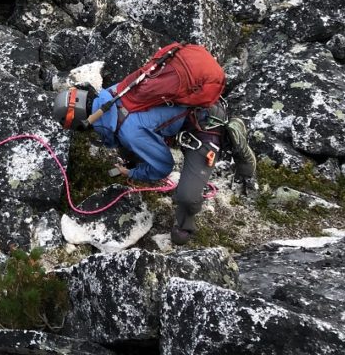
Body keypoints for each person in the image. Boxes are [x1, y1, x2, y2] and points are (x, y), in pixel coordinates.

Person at [54, 53, 256, 246]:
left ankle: (186, 225)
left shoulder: (129, 131)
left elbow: (163, 167)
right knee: (132, 141)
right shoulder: (113, 93)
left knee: (186, 196)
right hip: (189, 111)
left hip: (205, 126)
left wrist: (132, 172)